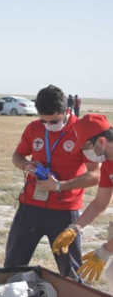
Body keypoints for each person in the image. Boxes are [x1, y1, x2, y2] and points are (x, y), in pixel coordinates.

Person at [4, 85, 100, 280]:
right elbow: (17, 156)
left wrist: (58, 186)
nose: (48, 125)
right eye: (44, 121)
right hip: (30, 206)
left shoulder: (82, 132)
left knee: (71, 272)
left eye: (54, 121)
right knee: (12, 265)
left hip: (64, 211)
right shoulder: (33, 128)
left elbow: (95, 175)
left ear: (67, 110)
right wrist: (27, 165)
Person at [51, 114, 113, 282]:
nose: (84, 152)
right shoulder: (107, 164)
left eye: (85, 146)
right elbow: (100, 203)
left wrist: (105, 250)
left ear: (101, 141)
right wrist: (74, 228)